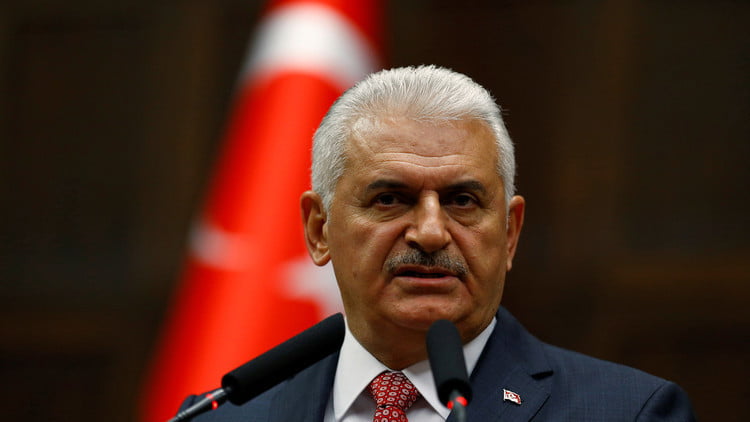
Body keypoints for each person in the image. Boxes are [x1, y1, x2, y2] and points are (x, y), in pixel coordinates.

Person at [180, 65, 696, 421]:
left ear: (510, 233)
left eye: (462, 201)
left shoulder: (629, 413)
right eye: (389, 199)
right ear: (319, 230)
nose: (430, 232)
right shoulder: (224, 416)